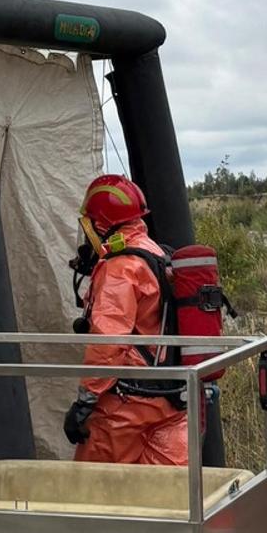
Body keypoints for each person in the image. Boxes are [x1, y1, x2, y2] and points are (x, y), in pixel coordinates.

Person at [63, 174, 188, 466]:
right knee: (163, 500)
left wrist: (85, 402)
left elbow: (108, 343)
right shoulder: (157, 253)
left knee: (93, 493)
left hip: (125, 406)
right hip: (170, 402)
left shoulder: (120, 268)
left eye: (89, 224)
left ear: (101, 223)